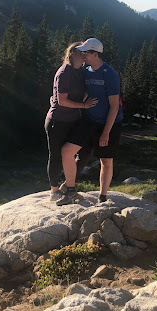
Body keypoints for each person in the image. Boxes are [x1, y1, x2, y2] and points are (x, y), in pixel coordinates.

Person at [56, 37, 123, 205]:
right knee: (67, 150)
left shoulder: (110, 74)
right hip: (89, 120)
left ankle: (102, 197)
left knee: (105, 161)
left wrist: (106, 133)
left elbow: (114, 106)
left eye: (85, 52)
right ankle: (69, 188)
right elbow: (81, 91)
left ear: (94, 54)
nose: (82, 55)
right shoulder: (86, 71)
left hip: (109, 123)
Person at [45, 42, 97, 201]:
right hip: (57, 121)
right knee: (56, 156)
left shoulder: (81, 71)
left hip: (73, 120)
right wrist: (83, 105)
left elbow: (85, 90)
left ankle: (68, 185)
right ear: (73, 52)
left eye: (86, 52)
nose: (84, 55)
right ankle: (54, 191)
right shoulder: (64, 72)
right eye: (82, 52)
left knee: (86, 151)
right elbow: (62, 100)